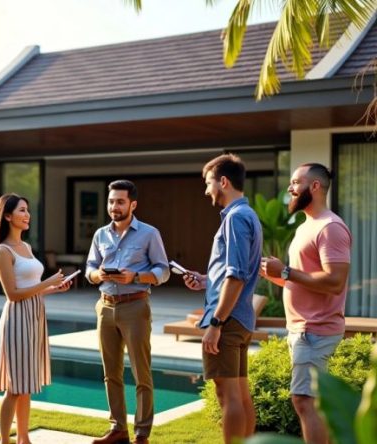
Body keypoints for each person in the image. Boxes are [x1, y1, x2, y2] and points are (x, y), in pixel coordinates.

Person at [260, 163, 351, 444]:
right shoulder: (306, 227)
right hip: (302, 328)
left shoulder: (330, 228)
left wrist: (286, 271)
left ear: (314, 187)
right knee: (307, 401)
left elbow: (335, 281)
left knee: (304, 400)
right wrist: (275, 276)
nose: (290, 188)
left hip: (316, 330)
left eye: (296, 182)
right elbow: (302, 280)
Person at [182, 154, 262, 444]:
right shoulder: (248, 215)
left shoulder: (235, 218)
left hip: (227, 319)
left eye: (208, 183)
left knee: (226, 396)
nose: (206, 191)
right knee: (240, 393)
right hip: (241, 317)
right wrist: (206, 280)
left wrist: (216, 321)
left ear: (223, 182)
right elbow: (236, 271)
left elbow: (237, 275)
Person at [86, 179, 170, 444]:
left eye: (120, 201)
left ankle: (142, 433)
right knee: (110, 373)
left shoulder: (149, 233)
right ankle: (118, 429)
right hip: (105, 306)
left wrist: (137, 277)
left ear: (133, 204)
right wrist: (97, 274)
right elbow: (89, 268)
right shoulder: (100, 235)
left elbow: (163, 271)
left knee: (141, 373)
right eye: (111, 201)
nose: (114, 206)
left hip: (136, 306)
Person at [0, 193, 72, 444]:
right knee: (14, 387)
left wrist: (52, 289)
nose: (27, 215)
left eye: (28, 210)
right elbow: (12, 294)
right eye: (22, 210)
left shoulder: (27, 247)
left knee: (26, 385)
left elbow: (30, 287)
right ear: (8, 216)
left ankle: (24, 438)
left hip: (35, 316)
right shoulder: (3, 251)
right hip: (17, 319)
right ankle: (5, 441)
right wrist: (46, 282)